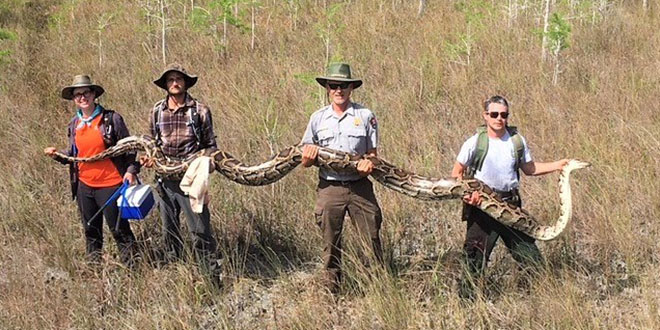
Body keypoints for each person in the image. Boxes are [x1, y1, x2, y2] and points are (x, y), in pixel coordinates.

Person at [451, 95, 569, 299]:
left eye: (503, 115)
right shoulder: (474, 142)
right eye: (494, 114)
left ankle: (541, 298)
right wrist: (469, 196)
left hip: (511, 206)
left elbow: (530, 169)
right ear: (485, 116)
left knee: (530, 256)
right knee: (474, 259)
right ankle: (468, 305)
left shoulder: (516, 141)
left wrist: (558, 165)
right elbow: (457, 173)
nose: (499, 118)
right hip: (482, 208)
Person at [301, 63, 383, 294]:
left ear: (351, 88)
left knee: (371, 238)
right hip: (330, 187)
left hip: (359, 187)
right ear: (327, 88)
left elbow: (374, 156)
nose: (339, 90)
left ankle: (377, 289)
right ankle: (331, 292)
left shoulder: (365, 116)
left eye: (343, 85)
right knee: (330, 243)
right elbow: (304, 159)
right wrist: (307, 157)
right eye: (334, 85)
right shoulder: (318, 118)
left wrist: (370, 163)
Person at [44, 75, 139, 266]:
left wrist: (131, 170)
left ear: (94, 94)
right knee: (90, 230)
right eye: (77, 94)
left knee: (119, 229)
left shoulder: (111, 119)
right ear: (73, 99)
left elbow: (130, 147)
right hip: (84, 186)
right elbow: (74, 154)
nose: (82, 97)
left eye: (85, 92)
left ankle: (134, 269)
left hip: (111, 185)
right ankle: (94, 269)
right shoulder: (74, 124)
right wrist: (58, 155)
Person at [143, 63, 221, 283]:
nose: (175, 83)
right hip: (164, 180)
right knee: (169, 229)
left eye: (179, 79)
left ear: (185, 83)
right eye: (170, 80)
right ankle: (175, 274)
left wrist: (205, 163)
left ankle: (211, 276)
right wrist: (149, 158)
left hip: (192, 180)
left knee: (199, 229)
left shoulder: (200, 110)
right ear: (166, 85)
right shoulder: (157, 110)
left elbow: (210, 145)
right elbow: (151, 142)